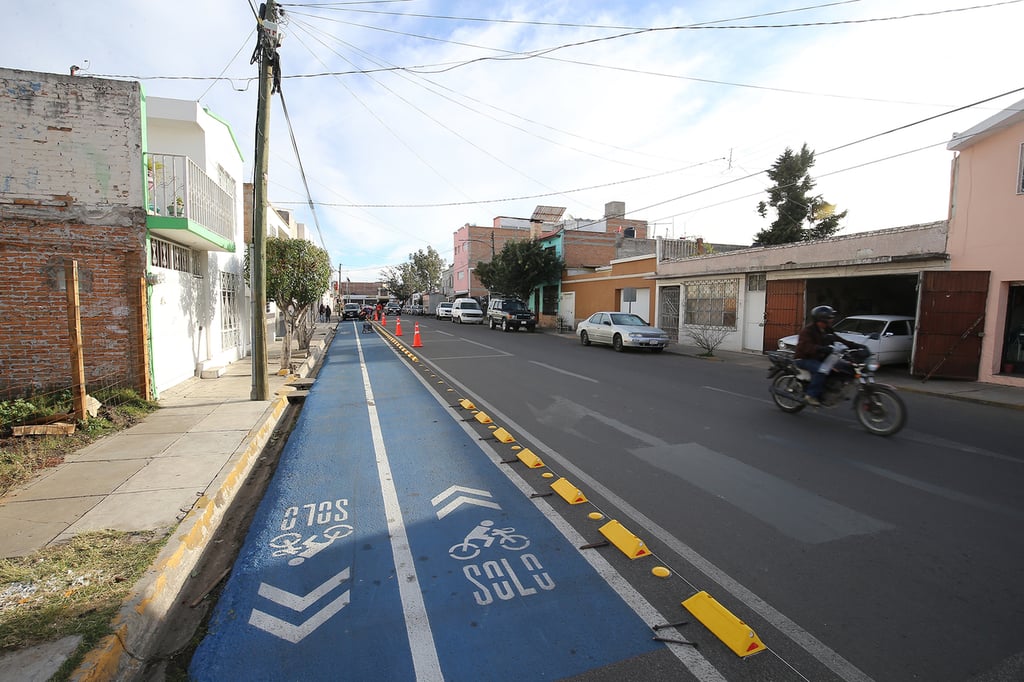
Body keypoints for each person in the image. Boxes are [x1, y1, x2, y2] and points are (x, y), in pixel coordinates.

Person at [794, 305, 839, 406]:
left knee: (839, 366)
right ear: (821, 319)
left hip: (818, 357)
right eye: (829, 317)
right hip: (803, 359)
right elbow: (805, 347)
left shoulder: (827, 329)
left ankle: (826, 390)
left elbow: (837, 338)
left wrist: (855, 345)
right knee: (822, 370)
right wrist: (821, 348)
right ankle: (811, 395)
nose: (832, 319)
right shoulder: (807, 331)